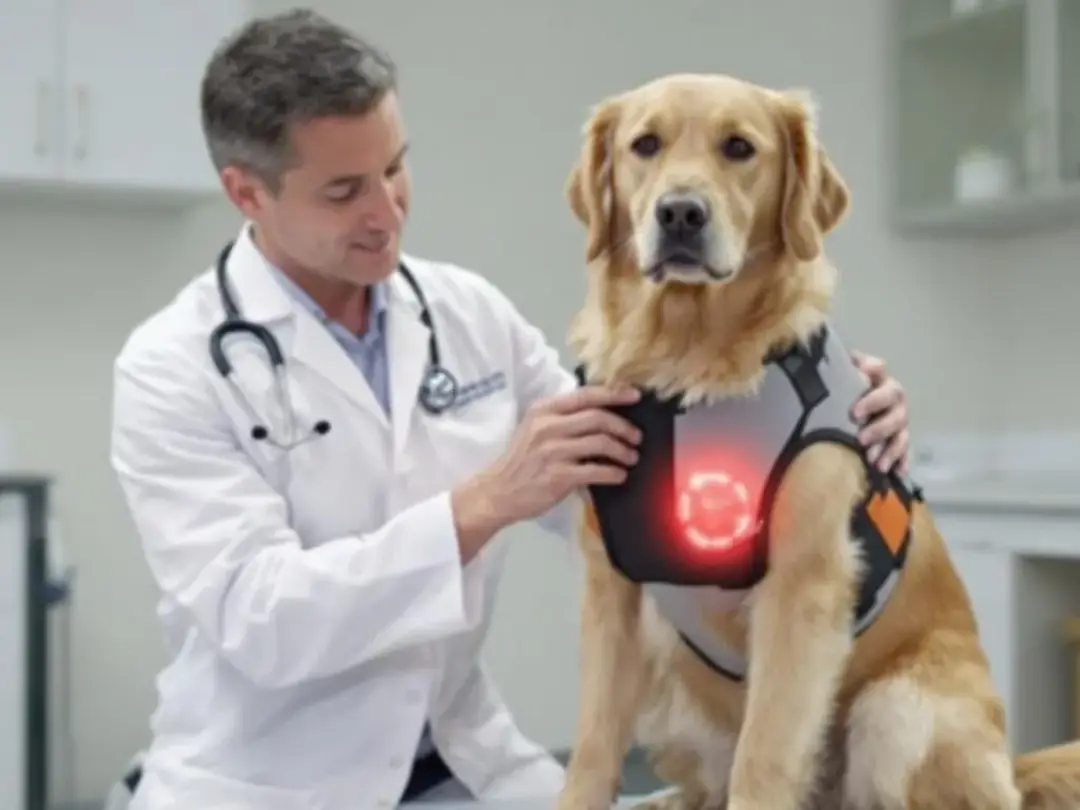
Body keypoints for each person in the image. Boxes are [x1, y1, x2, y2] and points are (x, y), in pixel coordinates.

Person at [106, 9, 912, 810]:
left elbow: (634, 485)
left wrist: (821, 422)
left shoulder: (467, 316)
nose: (386, 211)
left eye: (395, 168)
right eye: (345, 191)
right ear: (246, 192)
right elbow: (262, 621)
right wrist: (482, 506)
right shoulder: (170, 366)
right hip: (267, 786)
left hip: (469, 766)